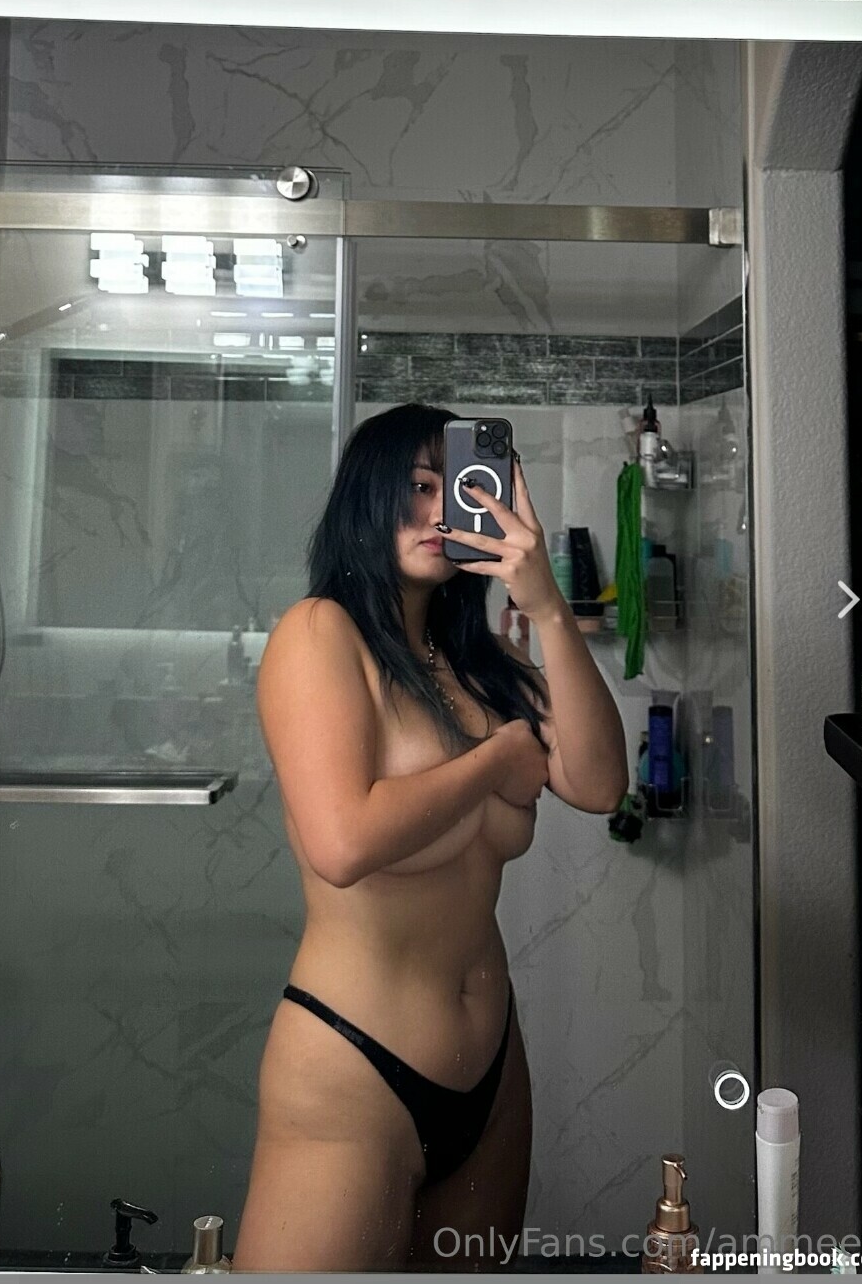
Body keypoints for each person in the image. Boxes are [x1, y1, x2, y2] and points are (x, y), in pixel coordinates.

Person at [232, 403, 627, 1272]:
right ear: (366, 498)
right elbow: (341, 843)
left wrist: (546, 607)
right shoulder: (319, 634)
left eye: (455, 488)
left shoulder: (484, 662)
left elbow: (600, 784)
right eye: (417, 486)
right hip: (354, 1070)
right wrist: (495, 763)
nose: (439, 509)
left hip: (491, 1070)